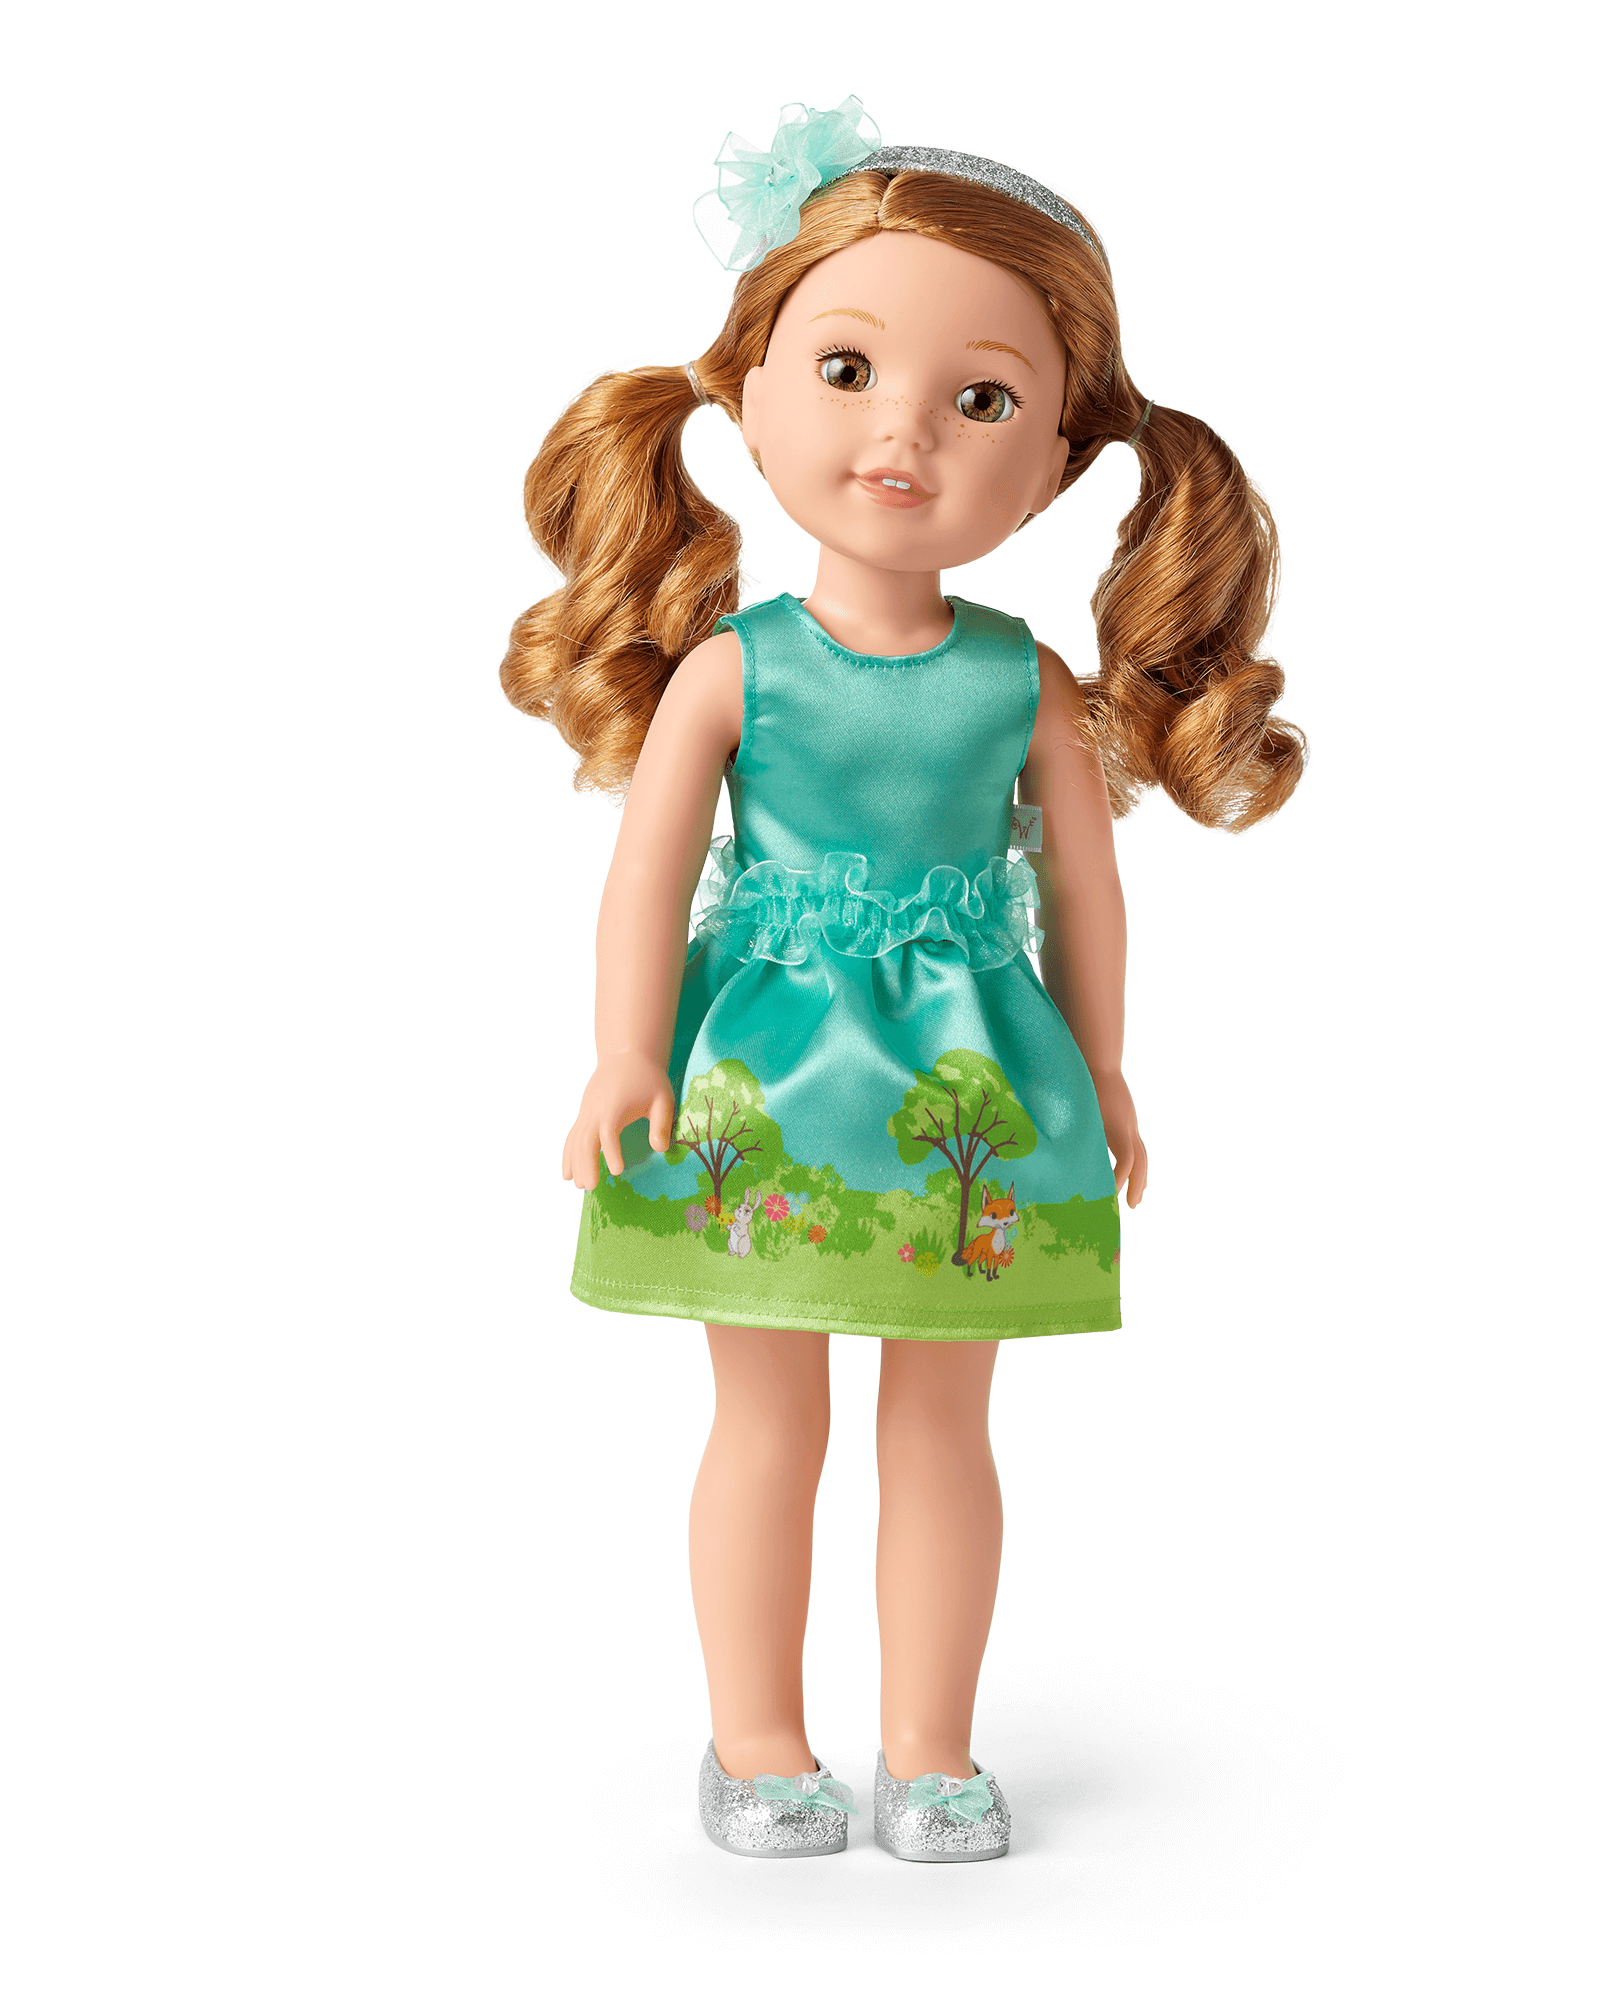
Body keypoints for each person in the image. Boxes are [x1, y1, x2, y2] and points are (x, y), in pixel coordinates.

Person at [501, 98, 1302, 1862]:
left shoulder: (1024, 682)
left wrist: (1106, 1067)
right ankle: (757, 1740)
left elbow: (1086, 886)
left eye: (983, 400)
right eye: (848, 369)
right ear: (748, 390)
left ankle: (930, 1746)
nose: (904, 436)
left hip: (974, 1089)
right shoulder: (733, 671)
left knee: (945, 1421)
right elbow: (647, 868)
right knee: (766, 1417)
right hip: (760, 1083)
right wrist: (625, 1047)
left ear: (1067, 454)